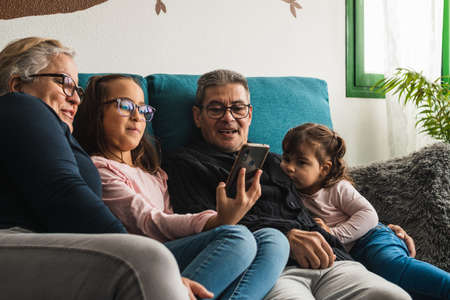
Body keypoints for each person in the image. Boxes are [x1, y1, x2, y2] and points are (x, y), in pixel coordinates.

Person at [162, 69, 413, 300]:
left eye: (237, 108)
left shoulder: (282, 162)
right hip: (273, 270)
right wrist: (286, 238)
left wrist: (382, 229)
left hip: (334, 261)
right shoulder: (184, 164)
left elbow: (327, 200)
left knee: (394, 296)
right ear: (197, 116)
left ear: (249, 114)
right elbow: (210, 230)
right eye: (216, 109)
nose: (228, 118)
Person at [0, 36, 201, 300]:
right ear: (17, 84)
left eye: (78, 89)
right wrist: (128, 246)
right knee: (148, 257)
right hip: (10, 237)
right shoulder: (20, 105)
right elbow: (63, 191)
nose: (75, 99)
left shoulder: (56, 131)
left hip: (42, 243)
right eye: (64, 83)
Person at [73, 73, 290, 300]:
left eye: (142, 108)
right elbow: (148, 222)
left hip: (175, 252)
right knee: (237, 238)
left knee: (274, 240)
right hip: (146, 257)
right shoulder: (100, 168)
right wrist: (215, 221)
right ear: (97, 114)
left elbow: (172, 216)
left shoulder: (155, 173)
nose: (137, 116)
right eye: (125, 106)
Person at [280, 122, 450, 300]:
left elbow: (368, 215)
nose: (289, 167)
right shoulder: (289, 190)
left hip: (372, 238)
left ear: (324, 169)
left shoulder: (337, 189)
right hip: (351, 256)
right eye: (286, 158)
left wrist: (333, 233)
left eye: (301, 162)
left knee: (391, 266)